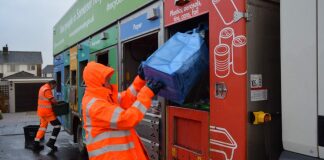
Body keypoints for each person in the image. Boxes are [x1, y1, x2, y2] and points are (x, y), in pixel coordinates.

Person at [82, 62, 163, 160]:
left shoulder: (105, 98)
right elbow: (127, 119)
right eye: (107, 80)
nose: (109, 83)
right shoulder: (95, 105)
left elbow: (127, 97)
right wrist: (147, 93)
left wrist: (140, 79)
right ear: (99, 83)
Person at [33, 80, 61, 151]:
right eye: (54, 86)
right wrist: (58, 103)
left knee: (42, 128)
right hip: (47, 113)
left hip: (41, 112)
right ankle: (51, 143)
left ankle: (35, 144)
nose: (53, 88)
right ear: (52, 84)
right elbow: (53, 100)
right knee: (57, 126)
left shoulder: (42, 87)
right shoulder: (47, 89)